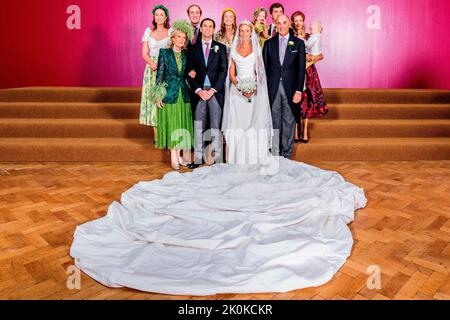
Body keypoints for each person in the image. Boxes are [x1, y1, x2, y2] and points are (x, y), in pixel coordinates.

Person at [70, 19, 367, 297]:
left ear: (253, 32)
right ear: (240, 31)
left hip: (256, 94)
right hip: (236, 95)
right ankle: (231, 160)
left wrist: (254, 88)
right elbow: (231, 72)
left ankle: (255, 159)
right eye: (245, 30)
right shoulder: (230, 48)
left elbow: (260, 74)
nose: (247, 34)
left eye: (250, 30)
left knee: (257, 128)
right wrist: (238, 86)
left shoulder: (259, 48)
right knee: (228, 130)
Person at [186, 18, 228, 168]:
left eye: (211, 26)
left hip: (215, 92)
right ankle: (198, 158)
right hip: (199, 94)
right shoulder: (192, 48)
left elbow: (223, 71)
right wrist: (198, 90)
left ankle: (218, 158)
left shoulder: (221, 48)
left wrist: (212, 90)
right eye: (205, 26)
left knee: (216, 125)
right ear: (201, 29)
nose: (208, 29)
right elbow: (188, 71)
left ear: (213, 29)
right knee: (199, 125)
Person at [263, 15, 306, 159]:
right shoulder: (269, 44)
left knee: (289, 122)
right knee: (274, 123)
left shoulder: (298, 43)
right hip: (273, 89)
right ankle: (275, 155)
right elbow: (264, 70)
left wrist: (299, 90)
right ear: (275, 25)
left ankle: (286, 155)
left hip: (291, 90)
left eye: (284, 23)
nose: (281, 26)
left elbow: (301, 69)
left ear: (289, 24)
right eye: (278, 23)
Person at [153, 20, 194, 170]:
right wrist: (158, 96)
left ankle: (180, 155)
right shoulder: (164, 53)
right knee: (172, 125)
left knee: (181, 125)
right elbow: (159, 76)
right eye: (179, 37)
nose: (182, 40)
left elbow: (187, 73)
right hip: (169, 95)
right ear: (173, 39)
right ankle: (173, 156)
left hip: (183, 94)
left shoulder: (186, 54)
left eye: (184, 38)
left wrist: (192, 73)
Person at [139, 5, 170, 144]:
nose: (158, 17)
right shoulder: (148, 32)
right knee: (152, 101)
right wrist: (152, 63)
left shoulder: (171, 32)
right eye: (156, 15)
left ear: (166, 17)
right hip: (151, 69)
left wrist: (163, 65)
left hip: (166, 68)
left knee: (164, 99)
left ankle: (166, 133)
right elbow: (144, 53)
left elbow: (171, 51)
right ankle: (157, 135)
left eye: (161, 15)